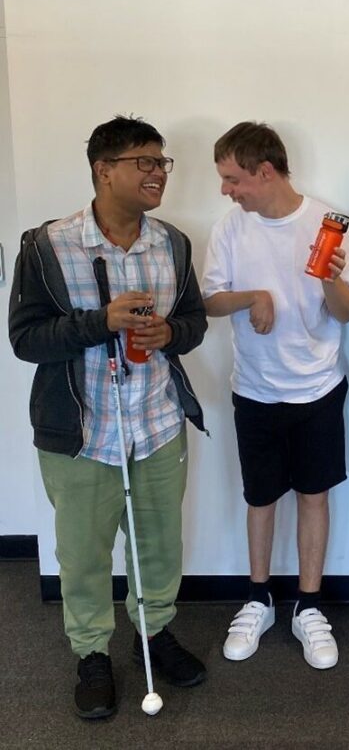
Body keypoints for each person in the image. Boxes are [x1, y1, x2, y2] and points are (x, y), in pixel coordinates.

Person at [8, 115, 208, 718]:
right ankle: (92, 653)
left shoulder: (172, 243)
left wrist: (168, 330)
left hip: (156, 423)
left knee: (158, 548)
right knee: (85, 554)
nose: (157, 173)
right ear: (104, 169)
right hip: (80, 433)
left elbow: (193, 323)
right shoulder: (46, 245)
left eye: (161, 163)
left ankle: (154, 634)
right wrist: (102, 323)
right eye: (144, 162)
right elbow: (26, 340)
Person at [202, 122, 349, 670]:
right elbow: (209, 301)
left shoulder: (328, 223)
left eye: (233, 179)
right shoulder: (231, 229)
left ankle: (308, 606)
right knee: (260, 497)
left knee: (314, 495)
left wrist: (330, 280)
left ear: (264, 172)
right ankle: (259, 597)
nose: (227, 190)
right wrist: (254, 297)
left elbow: (347, 312)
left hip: (318, 386)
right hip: (254, 388)